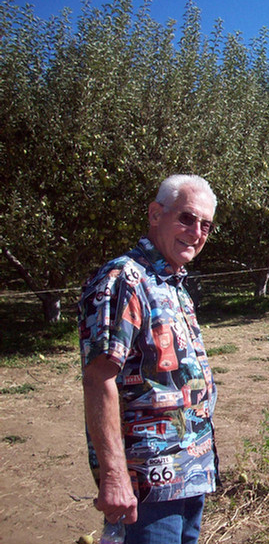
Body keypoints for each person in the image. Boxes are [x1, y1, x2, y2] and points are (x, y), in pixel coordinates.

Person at [79, 174, 219, 543]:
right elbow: (98, 379)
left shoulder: (173, 283)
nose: (196, 232)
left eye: (206, 224)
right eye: (186, 218)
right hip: (147, 484)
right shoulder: (125, 279)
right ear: (155, 214)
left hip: (189, 472)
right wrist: (113, 477)